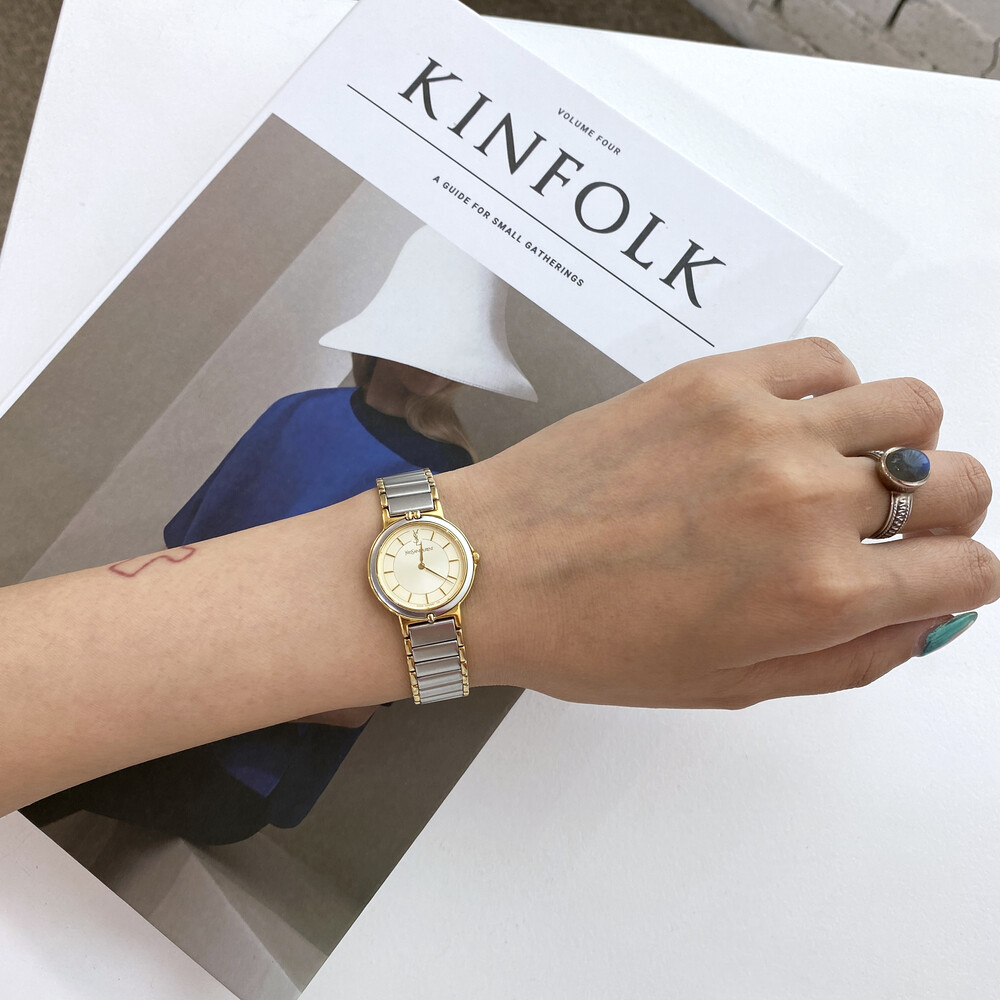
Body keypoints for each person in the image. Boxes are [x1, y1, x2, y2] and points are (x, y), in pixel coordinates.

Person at [2, 336, 998, 821]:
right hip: (231, 749)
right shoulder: (359, 435)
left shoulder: (363, 430)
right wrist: (488, 567)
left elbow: (192, 532)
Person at [18, 226, 537, 843]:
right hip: (166, 702)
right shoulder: (297, 412)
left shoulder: (438, 477)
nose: (437, 357)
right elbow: (180, 567)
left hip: (237, 764)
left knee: (40, 764)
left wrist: (193, 677)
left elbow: (383, 689)